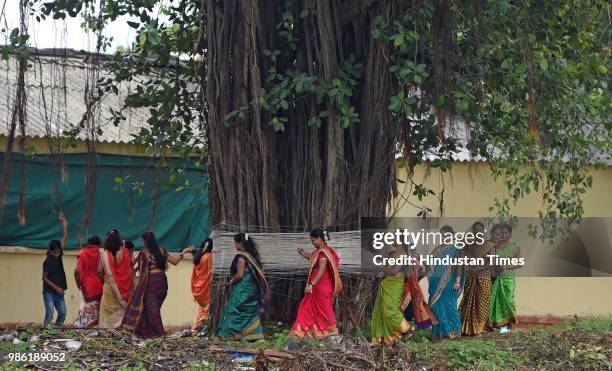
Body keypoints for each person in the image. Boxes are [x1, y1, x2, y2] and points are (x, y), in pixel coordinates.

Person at [122, 231, 183, 338]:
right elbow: (175, 261)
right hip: (162, 283)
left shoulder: (143, 254)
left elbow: (141, 272)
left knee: (153, 311)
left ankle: (160, 334)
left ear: (144, 241)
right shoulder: (161, 251)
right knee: (149, 309)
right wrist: (183, 254)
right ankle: (143, 333)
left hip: (151, 284)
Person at [214, 233, 269, 341]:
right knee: (250, 311)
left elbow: (239, 275)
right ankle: (255, 335)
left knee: (233, 310)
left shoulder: (242, 258)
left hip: (243, 289)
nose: (235, 245)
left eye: (235, 243)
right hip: (252, 289)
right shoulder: (253, 257)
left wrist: (231, 281)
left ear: (240, 243)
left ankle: (229, 335)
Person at [290, 228, 342, 339]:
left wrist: (311, 284)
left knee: (324, 309)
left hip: (320, 287)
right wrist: (301, 252)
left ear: (319, 238)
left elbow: (321, 270)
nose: (312, 243)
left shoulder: (323, 253)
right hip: (316, 287)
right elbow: (311, 257)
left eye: (313, 240)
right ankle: (310, 332)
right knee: (307, 308)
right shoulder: (319, 251)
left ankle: (331, 331)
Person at [370, 244, 413, 344]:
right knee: (383, 310)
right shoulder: (392, 253)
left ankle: (407, 329)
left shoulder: (403, 255)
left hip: (395, 284)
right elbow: (380, 258)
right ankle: (387, 338)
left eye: (394, 236)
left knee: (390, 310)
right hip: (387, 283)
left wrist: (380, 269)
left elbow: (394, 271)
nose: (391, 238)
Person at [427, 225, 464, 340]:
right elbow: (430, 263)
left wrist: (457, 281)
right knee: (435, 306)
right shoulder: (438, 249)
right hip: (436, 281)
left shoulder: (456, 248)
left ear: (452, 235)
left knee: (450, 306)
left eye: (447, 234)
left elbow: (459, 266)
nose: (444, 237)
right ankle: (438, 333)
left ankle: (453, 331)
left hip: (450, 282)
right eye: (442, 235)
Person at [459, 222, 495, 337]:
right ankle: (465, 328)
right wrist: (468, 267)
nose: (477, 232)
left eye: (479, 230)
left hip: (483, 277)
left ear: (483, 231)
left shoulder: (489, 245)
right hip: (471, 277)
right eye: (475, 230)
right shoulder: (469, 246)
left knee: (481, 303)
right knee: (467, 302)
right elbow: (462, 257)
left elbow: (492, 262)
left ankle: (478, 329)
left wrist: (478, 269)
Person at [98, 229, 133, 329]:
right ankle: (119, 330)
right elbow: (129, 270)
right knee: (120, 311)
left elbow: (99, 271)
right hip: (123, 289)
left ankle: (106, 332)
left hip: (109, 287)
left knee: (107, 313)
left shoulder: (103, 252)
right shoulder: (125, 252)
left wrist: (105, 282)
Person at [489, 223, 521, 334]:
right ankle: (497, 324)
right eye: (502, 232)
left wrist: (507, 266)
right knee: (496, 301)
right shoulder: (494, 246)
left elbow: (520, 263)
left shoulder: (515, 248)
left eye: (506, 233)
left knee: (508, 300)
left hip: (508, 278)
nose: (503, 235)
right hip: (495, 277)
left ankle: (508, 325)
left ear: (510, 234)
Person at [42, 212, 69, 327]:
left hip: (59, 291)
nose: (57, 254)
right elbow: (44, 278)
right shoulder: (47, 261)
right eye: (55, 252)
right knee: (50, 313)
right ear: (50, 251)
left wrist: (63, 222)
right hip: (49, 292)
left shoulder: (59, 254)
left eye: (59, 252)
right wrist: (56, 288)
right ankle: (46, 332)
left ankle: (57, 330)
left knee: (63, 312)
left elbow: (65, 237)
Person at [182, 238, 214, 333]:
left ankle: (195, 329)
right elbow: (211, 273)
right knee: (206, 311)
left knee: (202, 311)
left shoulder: (198, 255)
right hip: (207, 289)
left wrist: (182, 253)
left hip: (198, 290)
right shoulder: (209, 256)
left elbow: (189, 249)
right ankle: (200, 329)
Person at [401, 250, 437, 330]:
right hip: (407, 289)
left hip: (413, 290)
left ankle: (412, 327)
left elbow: (423, 271)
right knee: (409, 309)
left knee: (414, 309)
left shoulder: (416, 262)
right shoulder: (408, 261)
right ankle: (407, 326)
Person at [73, 235, 103, 329]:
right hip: (100, 285)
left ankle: (84, 327)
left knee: (86, 307)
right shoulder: (102, 253)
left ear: (88, 243)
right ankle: (96, 328)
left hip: (86, 285)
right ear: (99, 244)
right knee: (98, 309)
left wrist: (78, 284)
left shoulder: (83, 253)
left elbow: (76, 271)